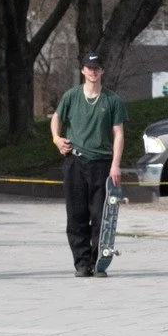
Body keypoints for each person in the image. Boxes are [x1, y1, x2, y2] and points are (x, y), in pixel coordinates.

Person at [51, 52, 127, 277]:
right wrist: (56, 138)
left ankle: (98, 261)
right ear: (83, 70)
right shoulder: (72, 96)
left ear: (102, 71)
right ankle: (81, 263)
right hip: (75, 161)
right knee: (76, 214)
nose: (93, 72)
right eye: (89, 68)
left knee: (101, 214)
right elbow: (56, 117)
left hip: (102, 164)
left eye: (97, 68)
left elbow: (119, 134)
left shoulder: (112, 100)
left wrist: (115, 164)